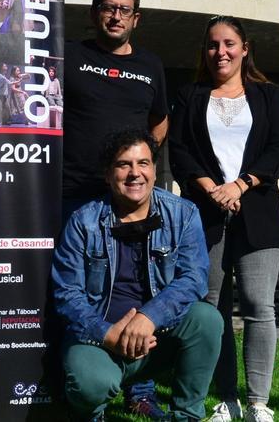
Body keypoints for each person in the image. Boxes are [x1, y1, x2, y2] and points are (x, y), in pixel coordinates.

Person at [52, 129, 221, 422]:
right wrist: (107, 334)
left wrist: (149, 317)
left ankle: (186, 417)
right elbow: (67, 294)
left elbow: (194, 278)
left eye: (143, 163)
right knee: (90, 385)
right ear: (108, 175)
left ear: (154, 171)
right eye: (123, 165)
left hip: (156, 337)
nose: (135, 173)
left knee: (207, 320)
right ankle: (91, 413)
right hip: (99, 340)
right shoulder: (83, 221)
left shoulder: (183, 214)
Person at [168, 16, 279, 422]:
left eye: (229, 43)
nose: (221, 51)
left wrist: (240, 185)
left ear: (244, 48)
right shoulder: (190, 94)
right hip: (205, 214)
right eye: (213, 44)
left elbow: (278, 148)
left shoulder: (268, 95)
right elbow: (180, 151)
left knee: (259, 306)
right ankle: (226, 398)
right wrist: (211, 188)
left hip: (259, 214)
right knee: (211, 308)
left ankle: (258, 402)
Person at [61, 0, 169, 418]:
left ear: (136, 18)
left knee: (133, 284)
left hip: (130, 201)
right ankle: (85, 382)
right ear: (94, 13)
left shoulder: (151, 66)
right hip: (74, 193)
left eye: (124, 9)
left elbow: (159, 124)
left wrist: (137, 170)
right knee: (82, 289)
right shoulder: (71, 55)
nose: (116, 15)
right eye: (108, 7)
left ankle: (140, 387)